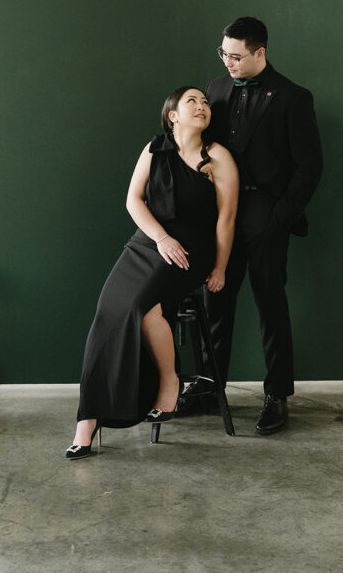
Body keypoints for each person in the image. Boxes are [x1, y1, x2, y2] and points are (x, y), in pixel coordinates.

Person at [66, 86, 238, 459]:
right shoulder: (154, 148)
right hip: (149, 244)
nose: (202, 107)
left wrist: (220, 267)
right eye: (191, 101)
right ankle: (89, 418)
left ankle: (166, 382)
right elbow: (133, 199)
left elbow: (226, 220)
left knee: (138, 308)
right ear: (172, 115)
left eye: (206, 102)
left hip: (192, 251)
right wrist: (159, 238)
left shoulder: (218, 157)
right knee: (108, 313)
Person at [179, 17, 323, 435]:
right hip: (220, 212)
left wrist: (278, 218)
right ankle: (209, 388)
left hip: (267, 215)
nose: (228, 63)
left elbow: (310, 168)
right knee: (215, 302)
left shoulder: (294, 97)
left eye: (236, 56)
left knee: (270, 304)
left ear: (261, 52)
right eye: (223, 54)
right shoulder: (216, 88)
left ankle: (277, 395)